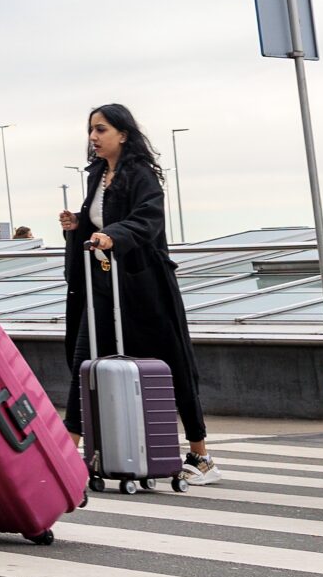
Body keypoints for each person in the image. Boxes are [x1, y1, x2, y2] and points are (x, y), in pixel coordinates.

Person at [58, 105, 218, 484]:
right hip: (103, 284)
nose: (93, 138)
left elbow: (148, 219)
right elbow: (100, 223)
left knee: (171, 363)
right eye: (90, 131)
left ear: (123, 134)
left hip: (144, 287)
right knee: (86, 362)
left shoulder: (141, 175)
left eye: (101, 130)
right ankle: (67, 453)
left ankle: (200, 454)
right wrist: (77, 227)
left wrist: (116, 235)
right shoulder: (98, 175)